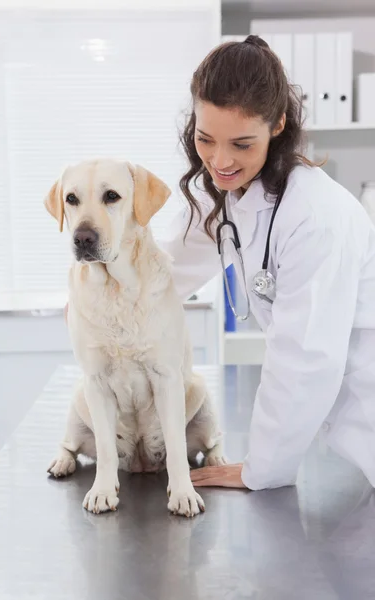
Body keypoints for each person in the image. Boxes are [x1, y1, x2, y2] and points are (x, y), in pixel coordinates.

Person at [156, 35, 375, 491]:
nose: (219, 160)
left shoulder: (315, 216)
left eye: (241, 143)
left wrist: (262, 470)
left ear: (277, 125)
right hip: (345, 420)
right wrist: (98, 300)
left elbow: (305, 358)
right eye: (204, 138)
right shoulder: (226, 193)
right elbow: (164, 271)